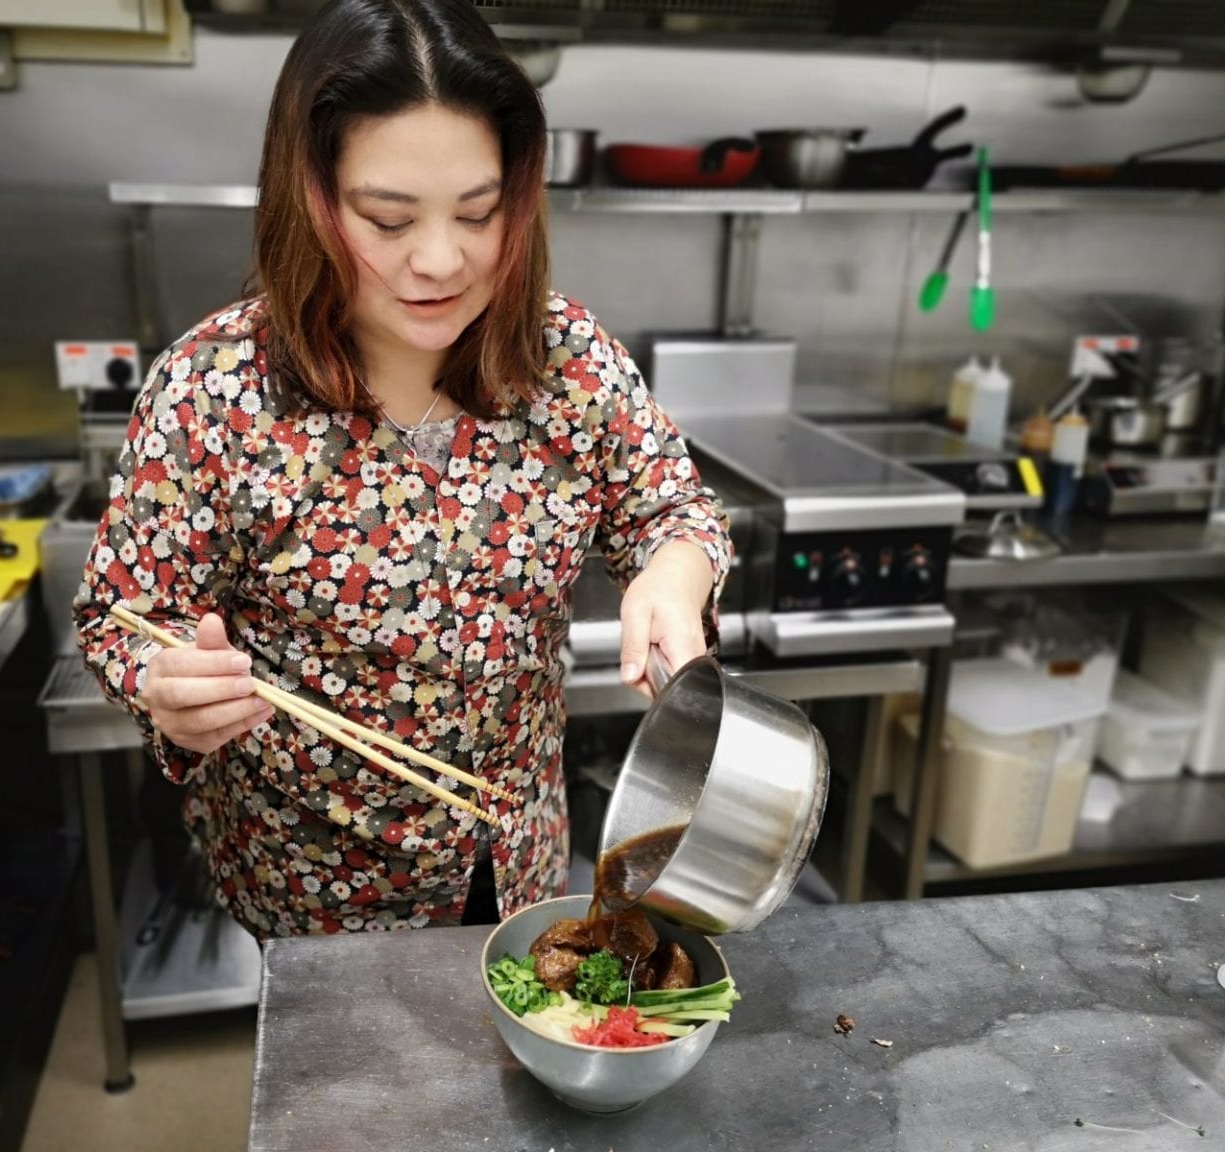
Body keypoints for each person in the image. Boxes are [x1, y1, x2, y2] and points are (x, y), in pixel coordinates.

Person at [74, 0, 732, 940]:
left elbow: (672, 505)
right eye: (387, 219)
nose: (440, 260)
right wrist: (165, 686)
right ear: (310, 197)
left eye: (480, 212)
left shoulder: (566, 357)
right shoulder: (214, 388)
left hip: (518, 861)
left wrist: (676, 568)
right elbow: (118, 617)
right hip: (311, 894)